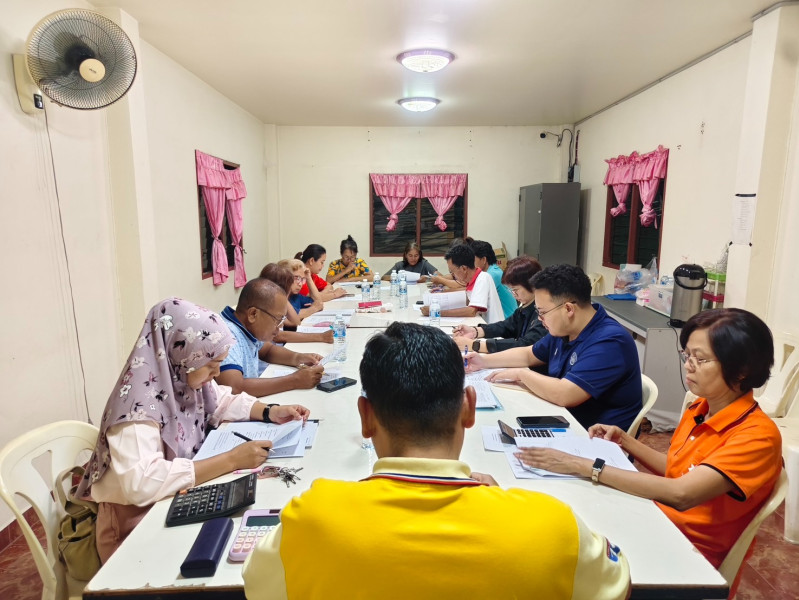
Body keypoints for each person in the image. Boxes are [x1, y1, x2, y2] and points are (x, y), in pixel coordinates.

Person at [242, 322, 631, 600]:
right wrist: (509, 505)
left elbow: (258, 584)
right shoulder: (552, 526)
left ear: (366, 417)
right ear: (469, 408)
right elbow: (617, 584)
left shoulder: (311, 520)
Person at [516, 308, 783, 578]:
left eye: (700, 359)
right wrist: (626, 441)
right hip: (655, 520)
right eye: (687, 355)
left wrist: (583, 465)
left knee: (555, 556)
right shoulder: (701, 408)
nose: (688, 365)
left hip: (687, 552)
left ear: (742, 370)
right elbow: (678, 468)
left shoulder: (756, 436)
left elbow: (681, 493)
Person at [75, 298, 310, 562]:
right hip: (133, 525)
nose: (217, 373)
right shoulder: (136, 409)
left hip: (171, 500)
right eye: (211, 365)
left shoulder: (180, 377)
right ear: (181, 354)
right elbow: (140, 483)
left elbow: (220, 400)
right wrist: (231, 460)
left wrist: (269, 411)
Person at [467, 264, 642, 431]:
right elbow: (528, 354)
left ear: (568, 309)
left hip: (592, 436)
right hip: (563, 420)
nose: (540, 319)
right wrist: (483, 361)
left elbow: (565, 394)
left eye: (542, 312)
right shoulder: (566, 330)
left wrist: (521, 374)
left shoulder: (610, 341)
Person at [216, 278, 324, 395]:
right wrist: (295, 380)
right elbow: (233, 388)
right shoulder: (226, 336)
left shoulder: (247, 327)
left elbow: (267, 351)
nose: (280, 326)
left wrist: (298, 358)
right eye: (277, 319)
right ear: (253, 314)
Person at [452, 255, 547, 353]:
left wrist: (476, 345)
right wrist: (475, 331)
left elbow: (526, 344)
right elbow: (505, 326)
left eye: (515, 290)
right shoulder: (525, 307)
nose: (514, 294)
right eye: (511, 290)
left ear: (532, 285)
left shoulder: (543, 312)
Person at [420, 243, 504, 324]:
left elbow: (471, 311)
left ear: (463, 268)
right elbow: (465, 298)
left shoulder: (483, 278)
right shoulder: (472, 279)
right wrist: (441, 293)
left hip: (493, 329)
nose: (453, 275)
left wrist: (436, 312)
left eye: (452, 271)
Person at [259, 263, 333, 344]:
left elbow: (296, 322)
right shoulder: (266, 306)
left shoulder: (291, 297)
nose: (300, 284)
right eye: (297, 279)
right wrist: (321, 337)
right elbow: (278, 336)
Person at [470, 240, 517, 318]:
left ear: (484, 260)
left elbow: (474, 293)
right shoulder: (491, 271)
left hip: (506, 319)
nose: (470, 263)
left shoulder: (491, 275)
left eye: (472, 260)